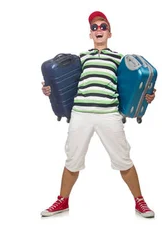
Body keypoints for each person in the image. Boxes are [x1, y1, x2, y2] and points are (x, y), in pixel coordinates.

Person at [40, 11, 156, 218]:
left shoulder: (121, 60)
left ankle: (140, 202)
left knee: (123, 159)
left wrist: (147, 95)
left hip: (109, 114)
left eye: (103, 26)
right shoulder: (81, 58)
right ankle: (62, 201)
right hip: (81, 113)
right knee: (72, 160)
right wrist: (49, 90)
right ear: (90, 34)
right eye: (94, 28)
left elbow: (132, 87)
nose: (98, 30)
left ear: (110, 33)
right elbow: (65, 84)